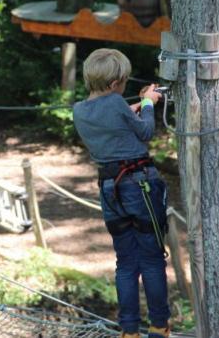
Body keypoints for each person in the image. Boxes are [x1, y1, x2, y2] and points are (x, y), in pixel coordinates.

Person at [73, 49, 170, 338]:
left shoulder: (79, 109)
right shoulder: (116, 102)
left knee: (126, 261)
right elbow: (145, 133)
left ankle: (128, 330)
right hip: (139, 185)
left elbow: (114, 123)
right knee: (151, 258)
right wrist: (149, 104)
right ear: (115, 82)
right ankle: (158, 325)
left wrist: (137, 105)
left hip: (109, 189)